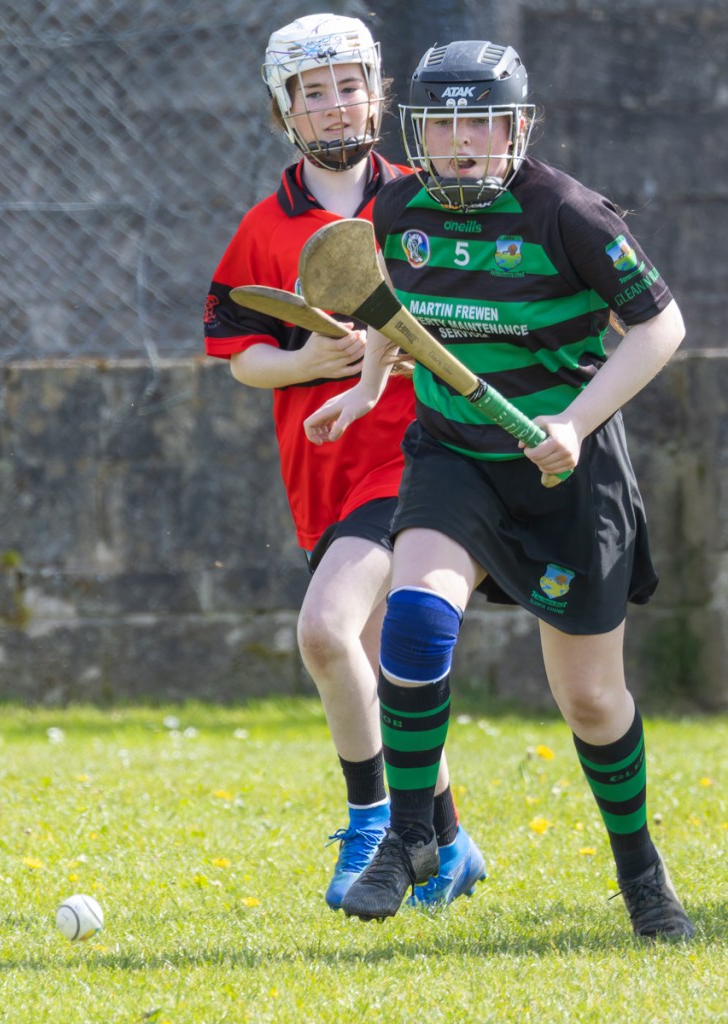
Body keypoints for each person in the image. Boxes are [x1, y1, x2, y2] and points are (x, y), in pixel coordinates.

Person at [304, 39, 695, 939]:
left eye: (481, 123)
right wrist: (367, 387)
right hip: (455, 454)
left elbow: (660, 326)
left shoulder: (568, 213)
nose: (462, 143)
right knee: (414, 614)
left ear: (518, 127)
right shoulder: (399, 206)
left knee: (591, 699)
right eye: (443, 126)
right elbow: (388, 304)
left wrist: (575, 423)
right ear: (418, 133)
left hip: (567, 469)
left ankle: (641, 873)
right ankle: (411, 840)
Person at [203, 16, 485, 911]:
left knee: (326, 630)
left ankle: (373, 825)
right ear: (285, 109)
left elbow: (475, 319)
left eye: (350, 85)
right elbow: (241, 355)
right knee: (377, 664)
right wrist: (309, 362)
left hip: (418, 459)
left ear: (378, 94)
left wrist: (396, 353)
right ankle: (450, 844)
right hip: (322, 471)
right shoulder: (263, 228)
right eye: (313, 92)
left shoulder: (425, 203)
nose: (334, 106)